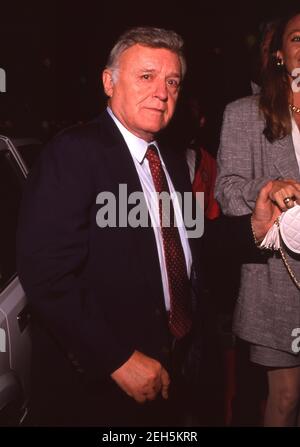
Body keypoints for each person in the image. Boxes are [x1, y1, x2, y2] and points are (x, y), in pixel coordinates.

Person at [17, 25, 282, 427]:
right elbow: (47, 273)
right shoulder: (74, 153)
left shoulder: (169, 160)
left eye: (172, 81)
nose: (162, 92)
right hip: (107, 386)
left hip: (179, 359)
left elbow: (192, 242)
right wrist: (116, 358)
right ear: (109, 81)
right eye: (147, 76)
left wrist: (254, 227)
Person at [215, 10, 300, 427]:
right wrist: (268, 187)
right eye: (299, 38)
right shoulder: (245, 114)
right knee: (285, 400)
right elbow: (226, 191)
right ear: (280, 54)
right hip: (279, 285)